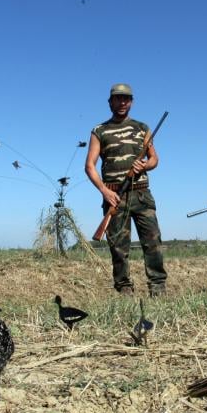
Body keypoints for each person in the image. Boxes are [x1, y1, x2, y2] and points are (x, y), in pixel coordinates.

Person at [85, 83, 167, 297]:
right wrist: (104, 191)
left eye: (126, 99)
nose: (122, 102)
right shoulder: (99, 130)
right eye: (118, 98)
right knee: (119, 247)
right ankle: (124, 290)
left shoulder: (142, 128)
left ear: (131, 102)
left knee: (153, 243)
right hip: (114, 196)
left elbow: (154, 159)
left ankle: (158, 288)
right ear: (110, 102)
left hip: (141, 193)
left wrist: (145, 165)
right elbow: (89, 166)